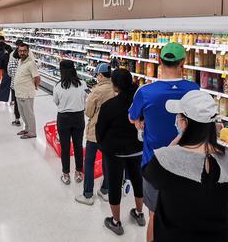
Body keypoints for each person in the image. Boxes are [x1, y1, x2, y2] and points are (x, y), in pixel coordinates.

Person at [143, 90, 228, 242]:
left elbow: (149, 175)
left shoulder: (166, 160)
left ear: (184, 123)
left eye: (179, 116)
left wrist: (177, 140)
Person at [128, 42, 200, 241]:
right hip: (187, 165)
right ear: (183, 63)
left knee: (154, 215)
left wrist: (140, 120)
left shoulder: (145, 92)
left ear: (159, 61)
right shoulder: (194, 89)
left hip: (154, 164)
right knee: (184, 216)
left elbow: (132, 117)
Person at [96, 68, 145, 236]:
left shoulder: (109, 106)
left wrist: (103, 144)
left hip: (115, 152)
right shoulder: (140, 103)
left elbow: (100, 130)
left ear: (115, 86)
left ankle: (116, 222)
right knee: (138, 180)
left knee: (115, 184)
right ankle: (139, 213)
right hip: (137, 149)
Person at [76, 63, 116, 205]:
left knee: (89, 162)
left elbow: (88, 112)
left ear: (100, 75)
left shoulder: (97, 91)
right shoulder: (115, 88)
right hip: (110, 132)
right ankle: (105, 190)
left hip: (95, 132)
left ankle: (88, 195)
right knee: (107, 161)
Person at [53, 60, 88, 185]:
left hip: (63, 118)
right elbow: (86, 99)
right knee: (78, 145)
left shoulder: (58, 86)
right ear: (74, 69)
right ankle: (79, 172)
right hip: (79, 117)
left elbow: (56, 102)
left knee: (65, 147)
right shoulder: (83, 84)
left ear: (61, 71)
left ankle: (66, 174)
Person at [14, 43, 40, 139]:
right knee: (22, 113)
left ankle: (32, 132)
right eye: (20, 51)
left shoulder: (31, 63)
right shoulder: (20, 61)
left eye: (24, 51)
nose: (22, 53)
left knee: (29, 114)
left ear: (28, 51)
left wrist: (34, 86)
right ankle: (27, 128)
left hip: (27, 93)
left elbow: (37, 78)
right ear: (18, 51)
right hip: (19, 93)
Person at [7, 40, 23, 126]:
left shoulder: (11, 62)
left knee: (17, 103)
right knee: (24, 103)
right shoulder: (24, 63)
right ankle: (26, 120)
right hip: (23, 86)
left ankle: (17, 119)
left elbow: (9, 73)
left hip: (14, 84)